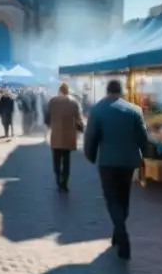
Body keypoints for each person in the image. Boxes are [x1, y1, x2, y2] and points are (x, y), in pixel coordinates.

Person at [84, 80, 149, 260]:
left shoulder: (97, 110)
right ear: (121, 92)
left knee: (112, 200)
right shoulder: (134, 110)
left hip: (107, 163)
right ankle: (117, 233)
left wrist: (90, 155)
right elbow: (143, 137)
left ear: (107, 91)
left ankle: (122, 237)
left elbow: (91, 137)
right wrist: (146, 156)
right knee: (124, 198)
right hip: (128, 162)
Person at [46, 83, 83, 192]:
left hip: (56, 134)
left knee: (56, 159)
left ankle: (58, 178)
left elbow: (47, 117)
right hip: (69, 136)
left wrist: (50, 125)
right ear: (68, 91)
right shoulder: (74, 102)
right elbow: (79, 120)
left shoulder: (52, 101)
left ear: (59, 91)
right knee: (66, 160)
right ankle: (65, 182)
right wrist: (80, 129)